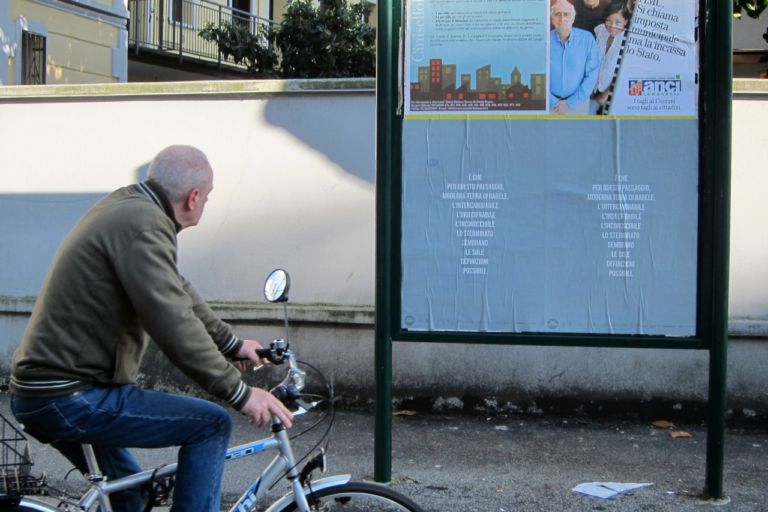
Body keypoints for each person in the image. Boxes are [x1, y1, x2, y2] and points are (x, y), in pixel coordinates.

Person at [10, 145, 293, 512]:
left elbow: (176, 289)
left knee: (129, 496)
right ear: (193, 198)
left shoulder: (134, 210)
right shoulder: (143, 225)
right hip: (69, 396)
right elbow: (172, 322)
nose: (206, 202)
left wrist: (231, 343)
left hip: (54, 390)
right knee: (211, 424)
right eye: (208, 196)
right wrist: (240, 394)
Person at [549, 0, 601, 114]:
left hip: (578, 104)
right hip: (549, 105)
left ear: (573, 18)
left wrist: (570, 103)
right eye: (557, 14)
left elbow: (592, 75)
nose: (562, 19)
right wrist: (552, 101)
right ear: (552, 19)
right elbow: (537, 74)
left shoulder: (587, 39)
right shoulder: (544, 41)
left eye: (566, 14)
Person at [590, 1, 631, 114]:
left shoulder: (629, 42)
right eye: (608, 21)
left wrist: (605, 96)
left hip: (609, 97)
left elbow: (624, 75)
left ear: (625, 22)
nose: (612, 26)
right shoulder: (600, 30)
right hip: (592, 90)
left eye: (618, 22)